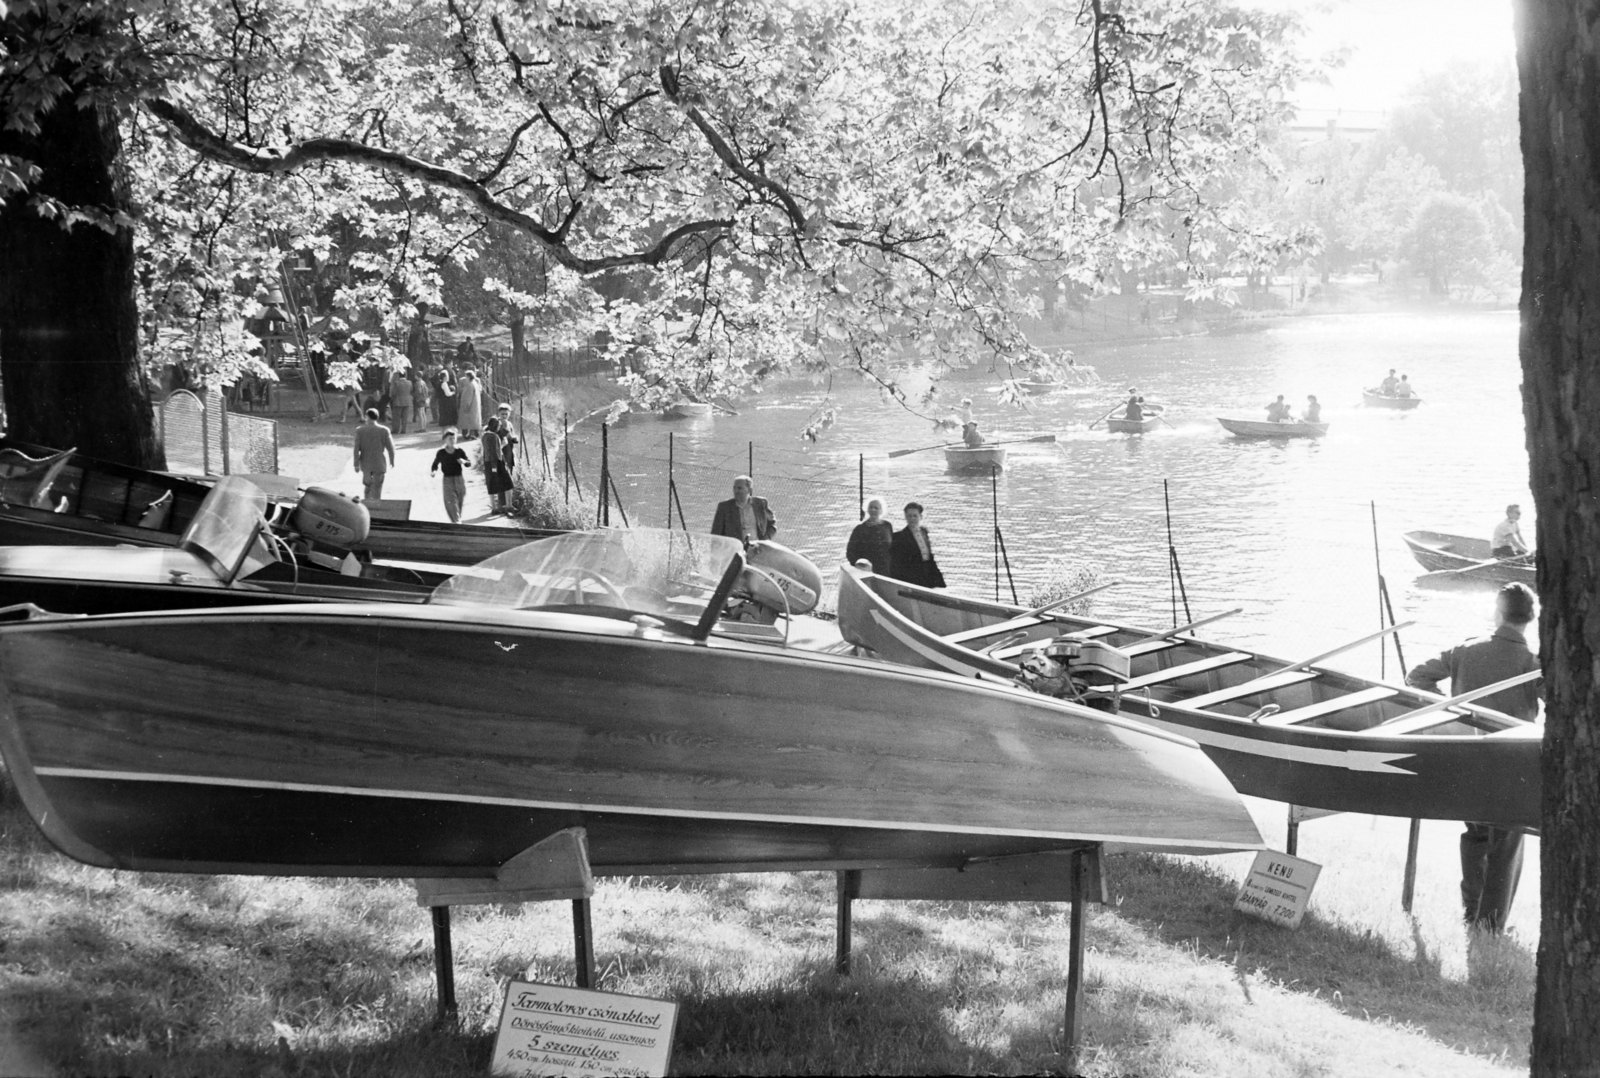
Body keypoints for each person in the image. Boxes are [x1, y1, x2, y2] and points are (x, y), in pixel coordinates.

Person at [1405, 583, 1541, 932]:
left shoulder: (1466, 649)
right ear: (1532, 618)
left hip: (1466, 759)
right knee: (1506, 841)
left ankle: (1472, 912)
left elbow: (1417, 677)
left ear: (1498, 614)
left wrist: (1448, 714)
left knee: (1476, 834)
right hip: (1513, 763)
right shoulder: (1533, 663)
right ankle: (1490, 924)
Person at [889, 502, 946, 589]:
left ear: (920, 517)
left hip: (928, 574)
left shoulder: (924, 532)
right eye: (909, 516)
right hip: (912, 578)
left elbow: (928, 556)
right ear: (905, 517)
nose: (912, 519)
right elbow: (896, 564)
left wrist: (938, 579)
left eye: (915, 516)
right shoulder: (899, 537)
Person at [710, 475, 777, 545]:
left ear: (749, 490)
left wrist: (764, 540)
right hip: (735, 549)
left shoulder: (761, 503)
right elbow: (716, 534)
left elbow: (772, 524)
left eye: (740, 488)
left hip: (756, 550)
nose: (736, 491)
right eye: (734, 487)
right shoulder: (724, 507)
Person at [352, 407, 396, 501]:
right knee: (377, 488)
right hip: (379, 463)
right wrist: (392, 460)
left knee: (367, 487)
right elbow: (390, 448)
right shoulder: (384, 430)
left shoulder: (360, 430)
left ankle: (367, 507)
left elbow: (356, 449)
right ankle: (377, 507)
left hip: (366, 464)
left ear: (366, 417)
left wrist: (356, 464)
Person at [430, 428, 470, 523]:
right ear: (445, 440)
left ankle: (456, 519)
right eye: (450, 439)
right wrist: (434, 471)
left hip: (459, 479)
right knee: (451, 502)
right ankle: (456, 521)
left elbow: (469, 463)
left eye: (453, 438)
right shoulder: (441, 453)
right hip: (448, 480)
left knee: (459, 501)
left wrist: (464, 461)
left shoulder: (459, 451)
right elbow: (435, 464)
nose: (452, 440)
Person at [845, 498, 894, 575]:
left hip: (887, 570)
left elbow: (892, 548)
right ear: (867, 510)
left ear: (881, 510)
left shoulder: (887, 526)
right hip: (867, 572)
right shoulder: (860, 529)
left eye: (876, 508)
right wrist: (860, 565)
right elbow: (850, 553)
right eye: (870, 507)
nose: (873, 510)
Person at [481, 423, 513, 514]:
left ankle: (494, 508)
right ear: (496, 427)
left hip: (488, 463)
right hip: (497, 463)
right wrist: (494, 467)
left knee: (491, 484)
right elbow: (495, 452)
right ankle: (509, 505)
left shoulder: (485, 435)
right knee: (508, 483)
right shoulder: (494, 436)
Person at [457, 369, 483, 437]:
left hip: (470, 406)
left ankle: (466, 434)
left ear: (468, 376)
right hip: (475, 405)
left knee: (466, 421)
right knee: (474, 420)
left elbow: (468, 396)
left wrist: (466, 405)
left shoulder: (469, 385)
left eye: (466, 376)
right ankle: (476, 433)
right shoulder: (475, 383)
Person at [389, 368, 413, 434]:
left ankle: (396, 429)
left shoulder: (396, 383)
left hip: (398, 401)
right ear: (405, 375)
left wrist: (392, 399)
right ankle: (403, 429)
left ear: (399, 375)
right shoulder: (409, 383)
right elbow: (410, 391)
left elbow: (394, 393)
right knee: (405, 417)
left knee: (397, 417)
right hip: (407, 401)